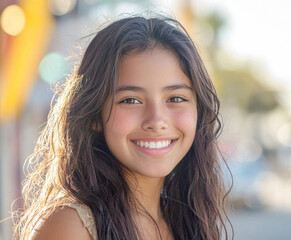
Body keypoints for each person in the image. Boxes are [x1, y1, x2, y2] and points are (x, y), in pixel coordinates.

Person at [15, 15, 232, 240]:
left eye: (176, 98)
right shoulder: (72, 227)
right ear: (94, 115)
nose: (157, 121)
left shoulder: (186, 218)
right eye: (131, 100)